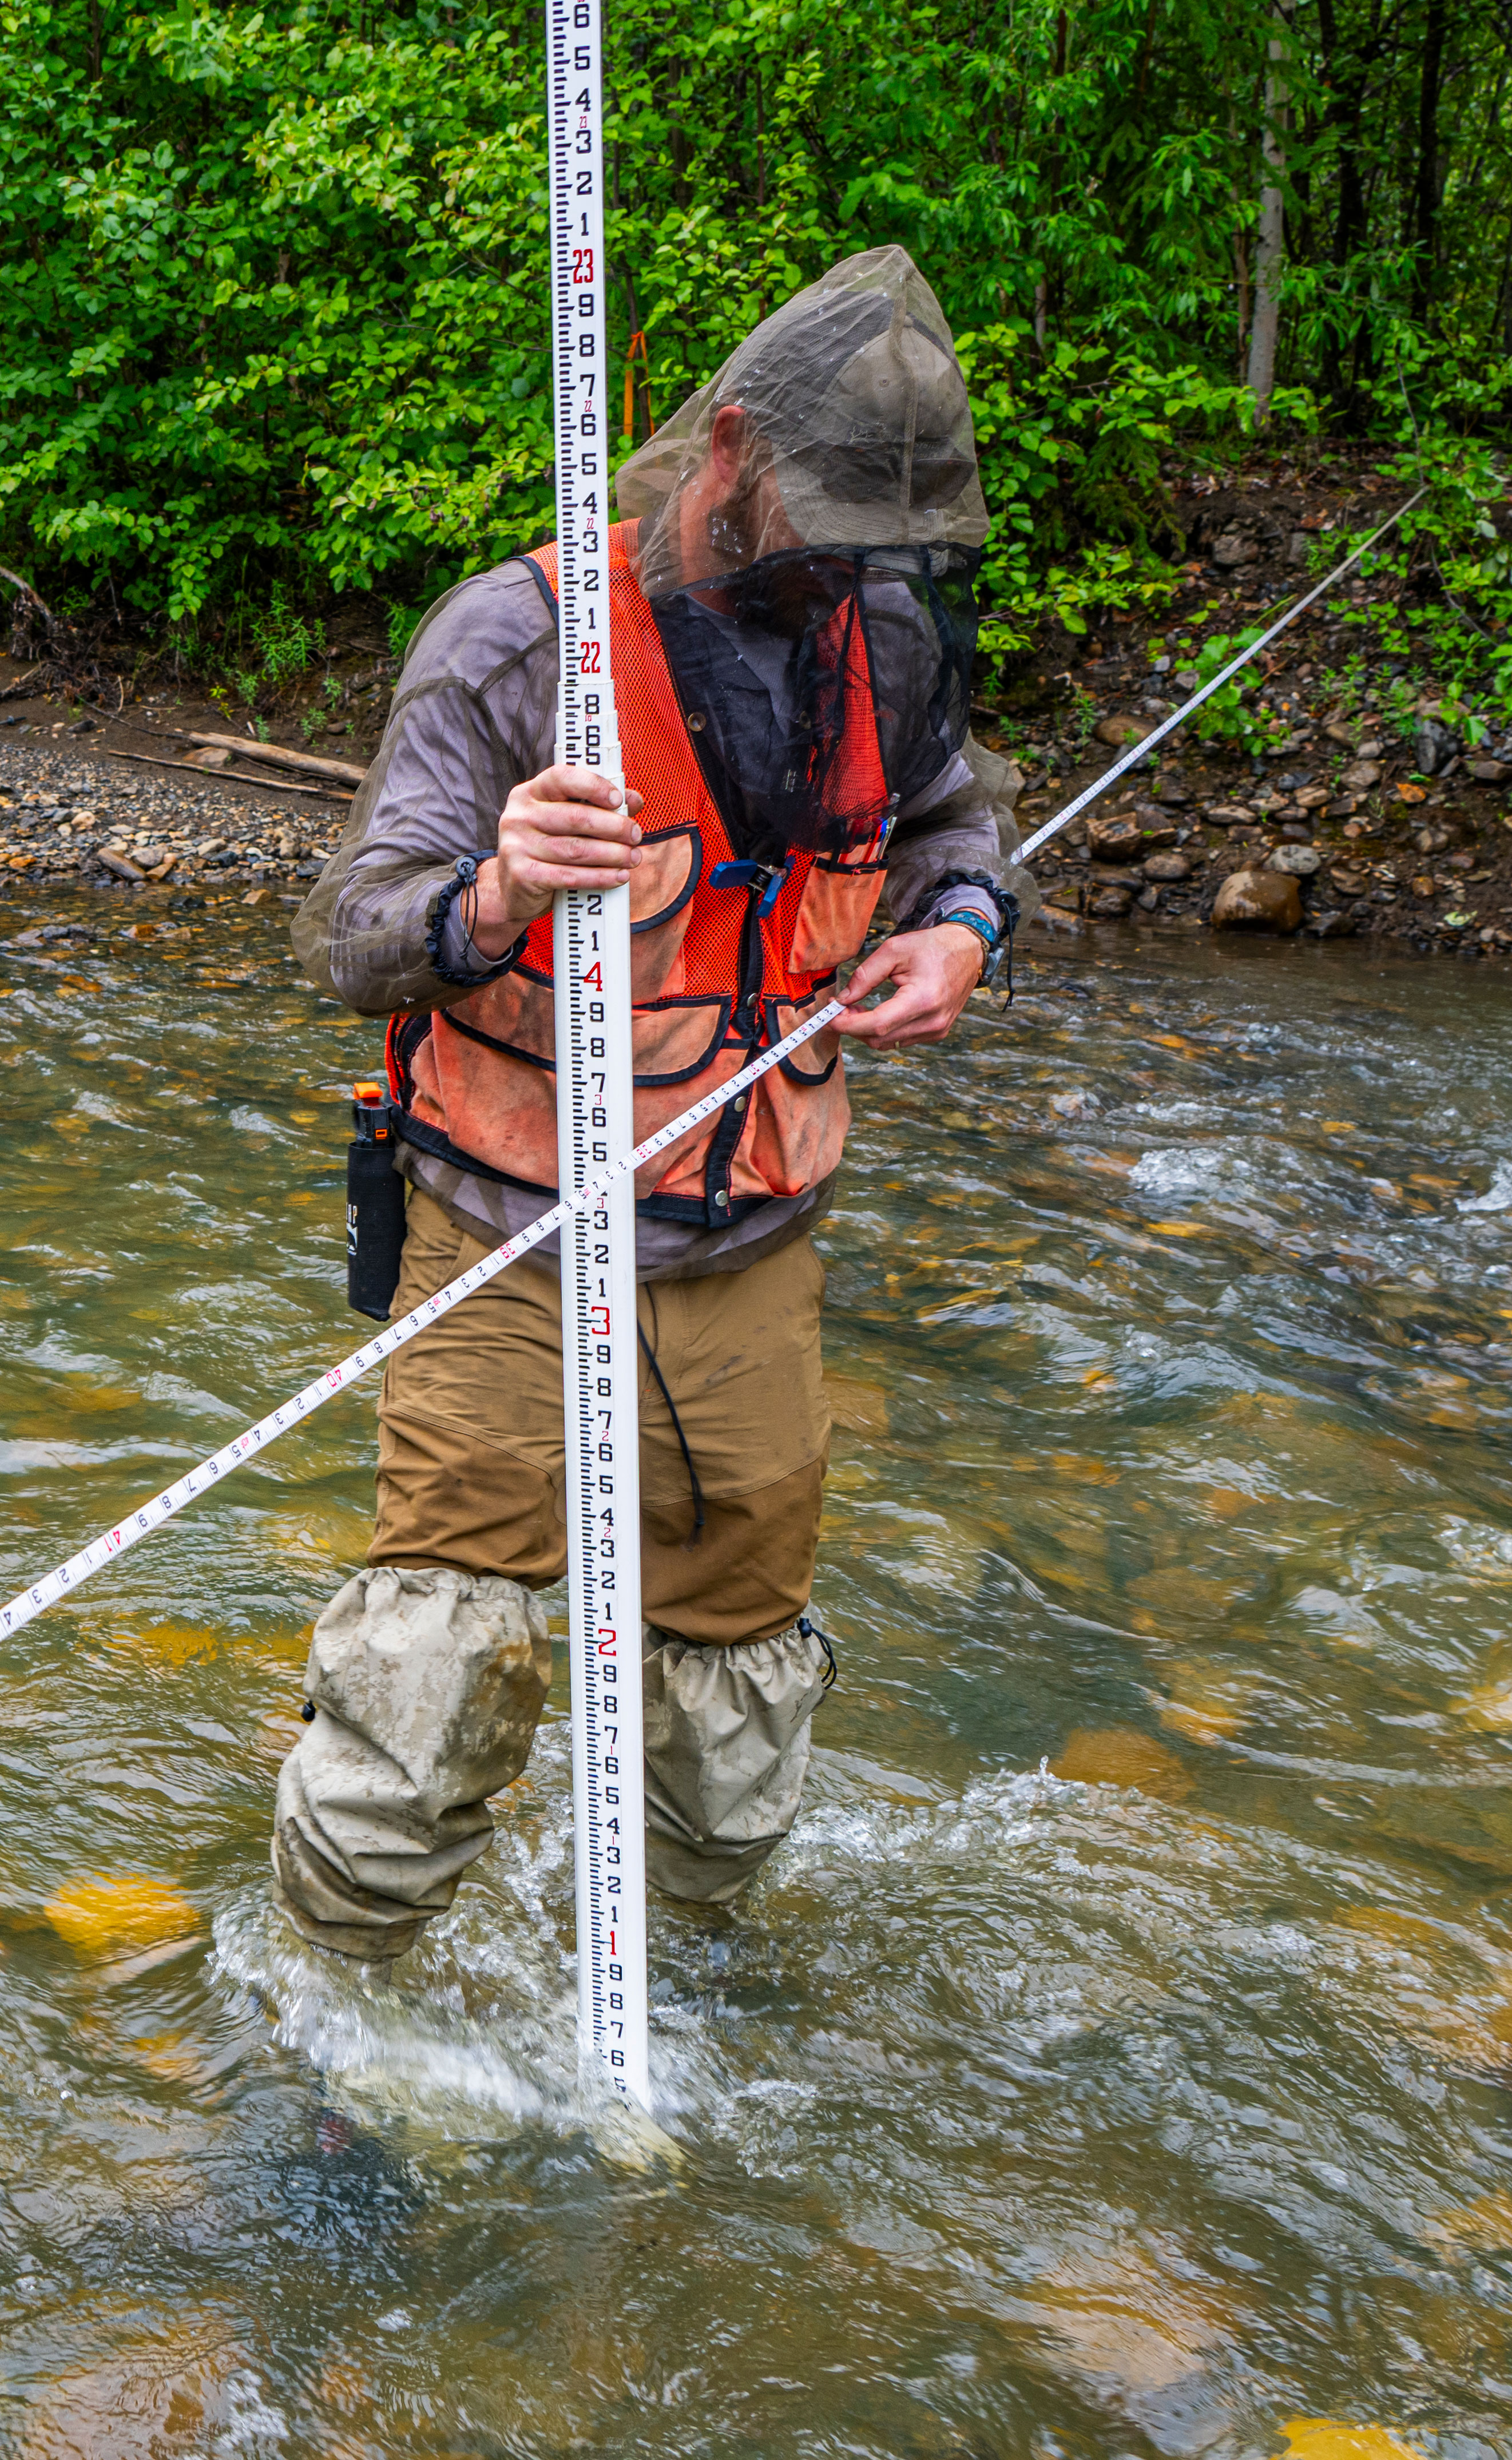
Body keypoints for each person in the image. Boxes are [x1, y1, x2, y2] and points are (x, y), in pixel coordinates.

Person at [272, 248, 1022, 1962]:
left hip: (753, 1245)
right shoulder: (517, 638)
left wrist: (963, 929)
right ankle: (334, 2025)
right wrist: (490, 891)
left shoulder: (883, 635)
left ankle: (687, 1976)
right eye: (820, 522)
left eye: (878, 543)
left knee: (734, 1705)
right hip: (503, 1237)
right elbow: (347, 934)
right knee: (431, 1679)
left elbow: (955, 832)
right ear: (737, 450)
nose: (844, 568)